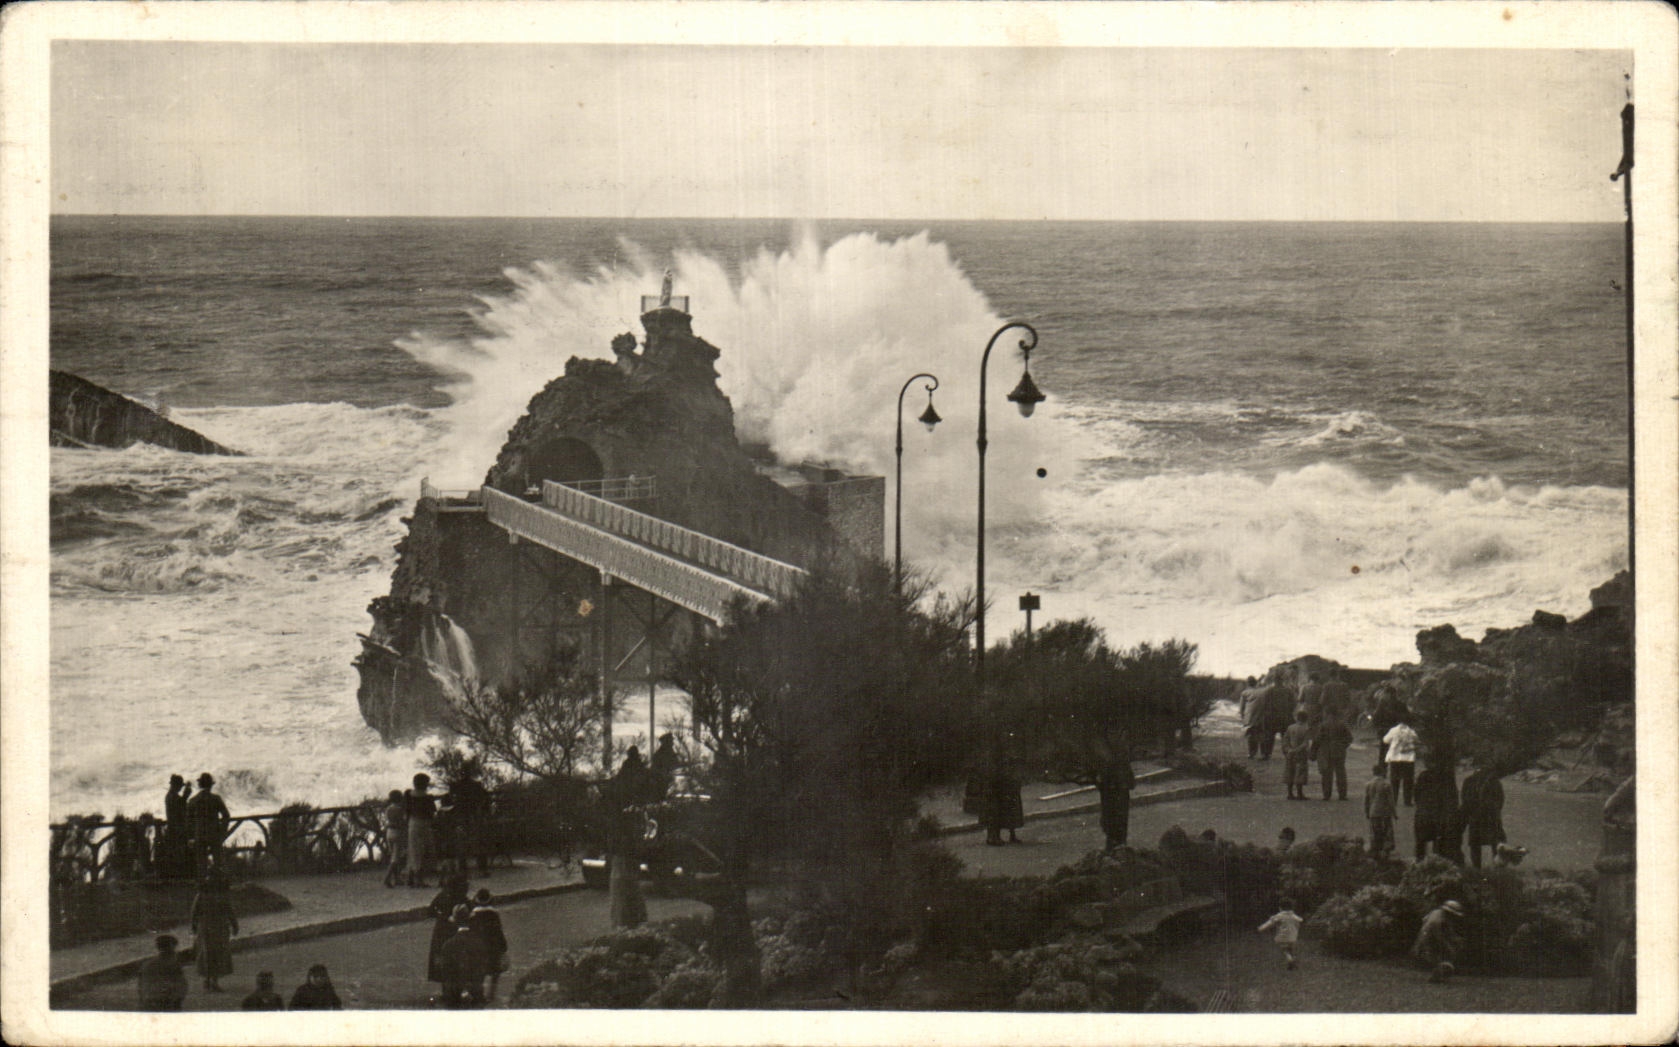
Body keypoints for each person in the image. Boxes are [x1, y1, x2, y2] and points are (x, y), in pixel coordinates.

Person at [190, 867, 238, 991]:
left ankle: (207, 980)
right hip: (219, 926)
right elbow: (229, 911)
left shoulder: (201, 893)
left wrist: (194, 926)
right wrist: (234, 925)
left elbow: (194, 911)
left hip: (205, 926)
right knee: (218, 953)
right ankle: (214, 982)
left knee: (206, 953)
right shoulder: (222, 893)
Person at [437, 903, 491, 1008]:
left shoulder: (448, 945)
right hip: (475, 992)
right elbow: (483, 967)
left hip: (454, 994)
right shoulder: (479, 942)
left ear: (454, 922)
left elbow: (445, 971)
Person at [427, 873, 471, 986]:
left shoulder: (443, 895)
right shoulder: (462, 898)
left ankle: (446, 988)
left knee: (444, 958)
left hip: (442, 930)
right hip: (453, 930)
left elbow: (430, 911)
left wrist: (443, 917)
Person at [1460, 763, 1507, 869]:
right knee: (1496, 843)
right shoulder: (1494, 782)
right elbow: (1500, 800)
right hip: (1491, 817)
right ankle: (1497, 868)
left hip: (1477, 817)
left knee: (1476, 844)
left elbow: (1465, 800)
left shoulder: (1469, 781)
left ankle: (1478, 869)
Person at [1413, 762, 1461, 864]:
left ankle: (1419, 865)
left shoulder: (1423, 776)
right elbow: (1453, 799)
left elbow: (1416, 794)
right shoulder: (1447, 777)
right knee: (1439, 842)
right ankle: (1438, 865)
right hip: (1439, 815)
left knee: (1421, 843)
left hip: (1424, 813)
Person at [185, 772, 231, 878]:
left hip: (199, 835)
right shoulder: (216, 798)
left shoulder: (193, 801)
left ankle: (202, 888)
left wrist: (191, 837)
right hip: (214, 834)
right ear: (211, 785)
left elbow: (188, 822)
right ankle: (219, 885)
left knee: (201, 864)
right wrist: (223, 831)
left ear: (200, 785)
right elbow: (226, 816)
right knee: (218, 862)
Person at [449, 767, 493, 876]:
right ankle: (481, 869)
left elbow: (451, 801)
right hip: (472, 816)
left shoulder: (456, 786)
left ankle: (463, 869)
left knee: (464, 843)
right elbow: (486, 798)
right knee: (477, 842)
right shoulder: (475, 786)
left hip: (465, 816)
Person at [470, 888, 509, 1003]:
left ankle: (479, 994)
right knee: (495, 972)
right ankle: (491, 994)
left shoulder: (473, 915)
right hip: (492, 948)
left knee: (479, 971)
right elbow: (498, 931)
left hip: (478, 947)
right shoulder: (494, 914)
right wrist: (503, 948)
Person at [1413, 900, 1466, 982]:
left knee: (1452, 947)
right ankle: (1438, 972)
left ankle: (1439, 970)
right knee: (1444, 959)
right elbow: (1439, 937)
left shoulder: (1436, 912)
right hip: (1428, 943)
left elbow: (1424, 920)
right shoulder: (1438, 922)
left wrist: (1455, 940)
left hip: (1425, 939)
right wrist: (1450, 947)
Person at [136, 934, 188, 1011]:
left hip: (148, 1002)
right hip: (166, 1003)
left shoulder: (147, 964)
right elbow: (181, 987)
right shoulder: (173, 965)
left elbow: (140, 987)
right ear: (172, 948)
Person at [1097, 748, 1135, 851]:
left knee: (1118, 824)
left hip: (1118, 789)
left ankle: (1117, 847)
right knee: (1114, 825)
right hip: (1113, 789)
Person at [407, 773, 437, 887]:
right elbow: (431, 813)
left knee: (413, 850)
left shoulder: (408, 795)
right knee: (423, 851)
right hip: (424, 824)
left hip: (412, 823)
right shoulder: (428, 797)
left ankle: (411, 876)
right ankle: (419, 880)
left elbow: (407, 811)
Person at [1381, 716, 1420, 806]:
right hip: (1408, 758)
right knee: (1408, 780)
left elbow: (1385, 740)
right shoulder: (1411, 732)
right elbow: (1417, 740)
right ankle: (1407, 800)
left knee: (1394, 780)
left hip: (1395, 758)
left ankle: (1394, 800)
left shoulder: (1393, 731)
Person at [159, 774, 191, 879]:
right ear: (176, 785)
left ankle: (176, 875)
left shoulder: (171, 795)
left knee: (176, 853)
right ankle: (177, 876)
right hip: (176, 828)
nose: (181, 788)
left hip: (174, 828)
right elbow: (180, 807)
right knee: (177, 853)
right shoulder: (172, 796)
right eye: (180, 786)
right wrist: (186, 796)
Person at [1258, 898, 1304, 970]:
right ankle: (1292, 963)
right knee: (1290, 950)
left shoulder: (1279, 916)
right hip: (1293, 937)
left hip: (1282, 937)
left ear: (1280, 908)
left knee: (1284, 951)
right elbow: (1300, 921)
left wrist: (1261, 928)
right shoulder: (1294, 916)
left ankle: (1290, 960)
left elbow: (1269, 924)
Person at [1316, 715, 1353, 801]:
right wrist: (1344, 746)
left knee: (1327, 774)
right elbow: (1350, 738)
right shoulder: (1342, 724)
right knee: (1341, 773)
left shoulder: (1323, 725)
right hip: (1340, 751)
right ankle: (1342, 794)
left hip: (1327, 751)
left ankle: (1326, 794)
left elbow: (1318, 738)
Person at [1364, 763, 1397, 856]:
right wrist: (1394, 813)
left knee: (1375, 830)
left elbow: (1366, 801)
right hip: (1385, 811)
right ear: (1383, 772)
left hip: (1373, 811)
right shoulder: (1386, 784)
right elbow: (1391, 800)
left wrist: (1367, 812)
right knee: (1386, 830)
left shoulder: (1368, 784)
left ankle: (1376, 849)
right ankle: (1386, 849)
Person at [1370, 689, 1408, 768]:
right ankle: (1391, 772)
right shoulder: (1399, 704)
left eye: (1386, 694)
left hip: (1387, 732)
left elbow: (1376, 718)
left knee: (1384, 753)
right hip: (1393, 732)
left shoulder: (1384, 705)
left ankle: (1383, 771)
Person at [1281, 710, 1313, 800]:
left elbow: (1285, 740)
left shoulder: (1290, 727)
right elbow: (1305, 743)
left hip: (1290, 753)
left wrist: (1288, 749)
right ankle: (1300, 793)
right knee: (1300, 772)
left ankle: (1290, 793)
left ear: (1297, 718)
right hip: (1301, 754)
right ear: (1306, 719)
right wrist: (1297, 750)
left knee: (1289, 771)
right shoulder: (1306, 729)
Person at [382, 789, 408, 888]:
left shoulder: (388, 808)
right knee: (396, 858)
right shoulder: (400, 809)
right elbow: (402, 821)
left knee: (393, 855)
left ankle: (397, 879)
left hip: (389, 832)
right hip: (398, 832)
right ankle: (387, 878)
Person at [649, 733, 679, 802]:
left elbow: (676, 764)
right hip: (661, 781)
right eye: (671, 741)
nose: (672, 743)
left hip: (668, 780)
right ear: (666, 742)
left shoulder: (670, 752)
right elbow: (656, 769)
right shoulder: (661, 754)